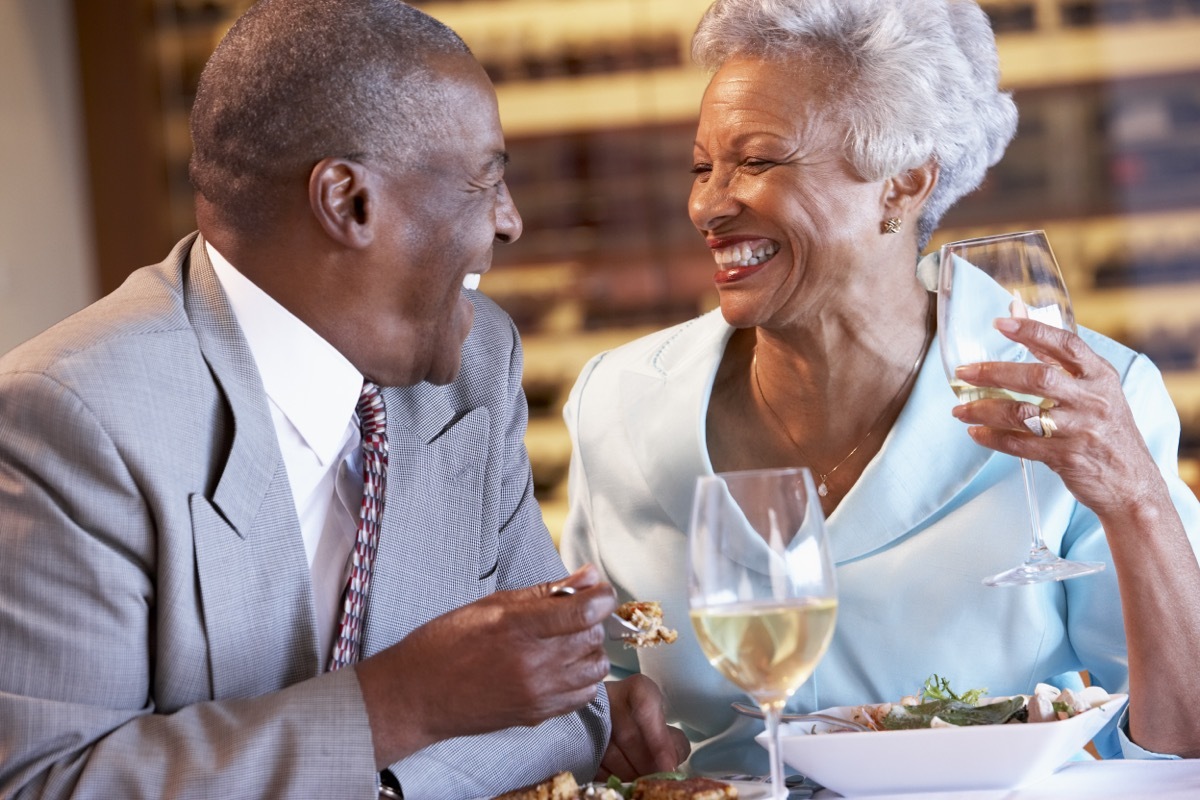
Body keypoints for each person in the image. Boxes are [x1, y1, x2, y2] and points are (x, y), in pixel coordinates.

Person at [0, 1, 685, 797]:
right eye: (486, 179)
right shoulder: (75, 419)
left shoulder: (475, 365)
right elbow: (44, 784)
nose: (511, 222)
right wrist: (401, 707)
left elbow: (571, 708)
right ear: (348, 202)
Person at [560, 0, 1200, 778]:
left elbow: (1186, 739)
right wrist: (607, 721)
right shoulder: (616, 403)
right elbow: (599, 684)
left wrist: (1136, 500)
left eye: (757, 162)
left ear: (903, 185)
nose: (707, 205)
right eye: (702, 167)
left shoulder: (1078, 400)